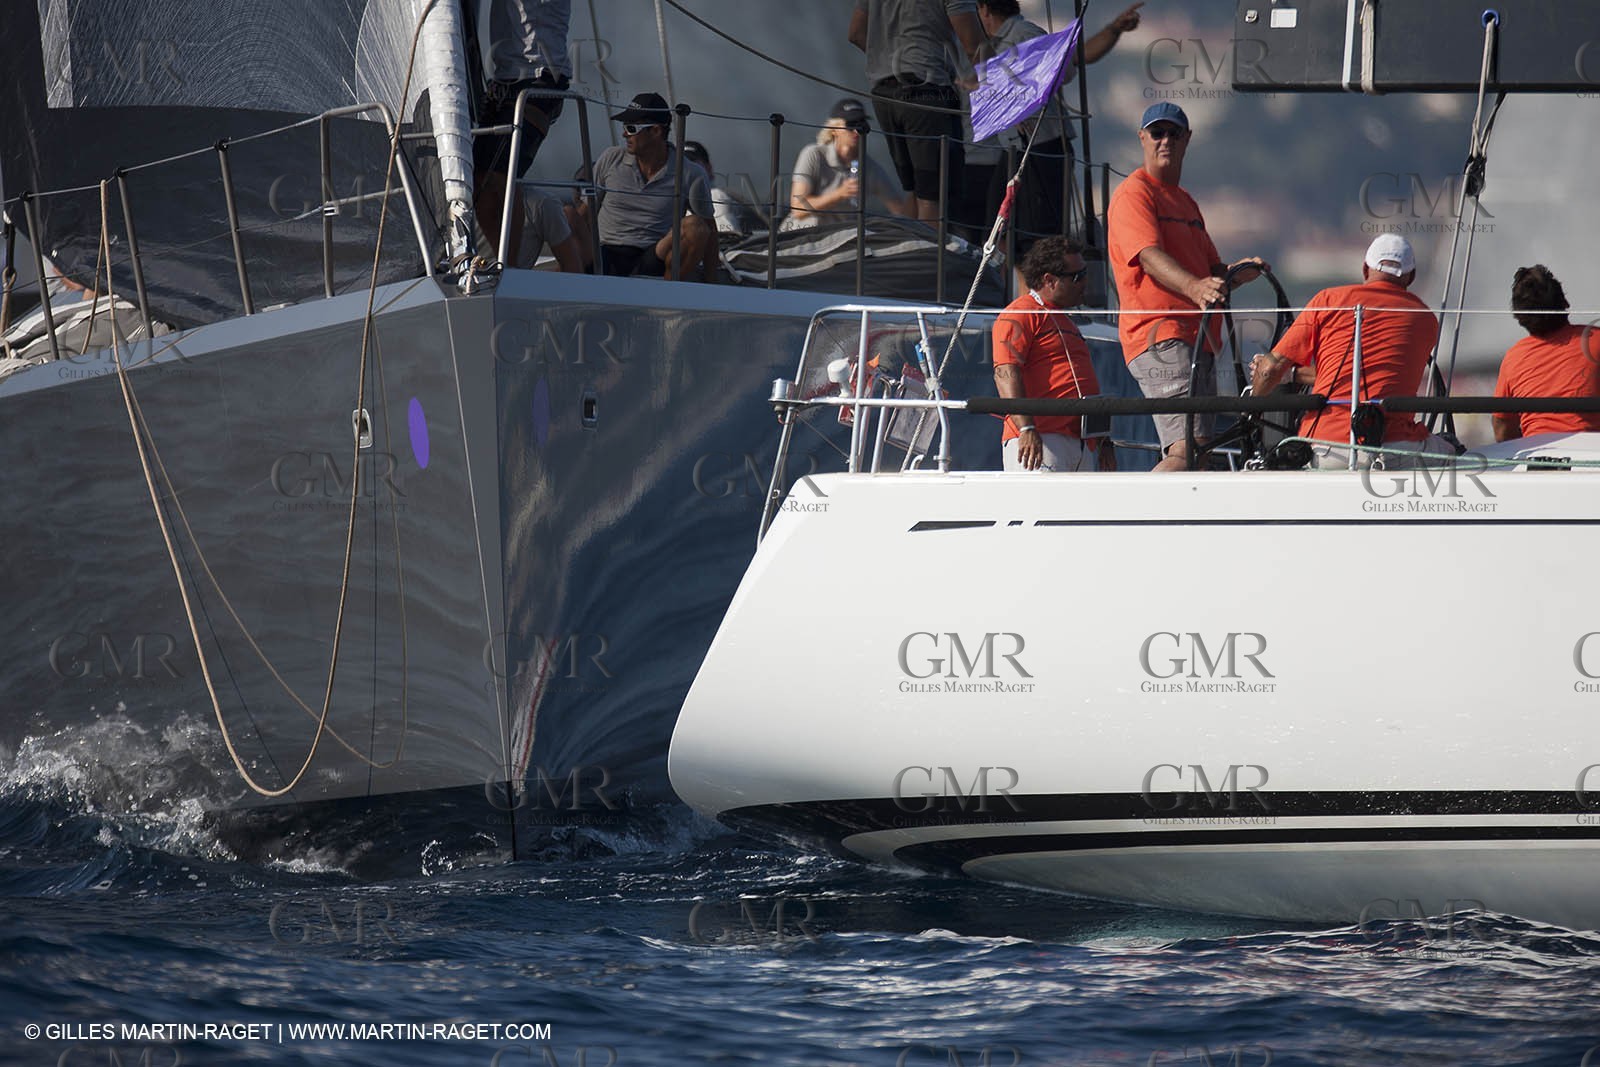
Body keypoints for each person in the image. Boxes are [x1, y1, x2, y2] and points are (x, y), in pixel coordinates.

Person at [1107, 102, 1267, 472]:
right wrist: (1196, 288)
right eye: (1157, 133)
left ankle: (1172, 524)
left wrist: (1238, 273)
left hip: (1197, 340)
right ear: (1142, 138)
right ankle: (1134, 522)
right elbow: (1147, 255)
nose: (1165, 140)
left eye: (1173, 133)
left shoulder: (1186, 202)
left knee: (1198, 451)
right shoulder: (1134, 194)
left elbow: (1211, 269)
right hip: (1161, 334)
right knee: (1187, 450)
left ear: (1186, 139)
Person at [1250, 234, 1448, 469]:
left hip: (1327, 449)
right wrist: (1293, 374)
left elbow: (1269, 368)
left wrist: (1250, 412)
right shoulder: (1426, 320)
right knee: (1452, 447)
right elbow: (1375, 371)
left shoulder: (1329, 300)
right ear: (1411, 277)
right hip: (1398, 449)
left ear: (1365, 269)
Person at [974, 0, 1143, 273]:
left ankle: (1035, 301)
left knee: (1037, 240)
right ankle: (1009, 298)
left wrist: (1018, 100)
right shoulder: (997, 42)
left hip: (1040, 146)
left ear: (984, 9)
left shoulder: (1023, 34)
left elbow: (1064, 68)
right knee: (999, 233)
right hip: (1013, 149)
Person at [848, 0, 986, 223]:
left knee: (913, 187)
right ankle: (930, 256)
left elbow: (855, 33)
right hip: (926, 91)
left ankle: (911, 253)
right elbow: (974, 46)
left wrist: (888, 60)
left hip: (883, 92)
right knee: (933, 194)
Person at [992, 236, 1114, 472]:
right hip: (1041, 440)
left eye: (1086, 272)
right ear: (1049, 280)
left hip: (1080, 444)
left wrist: (1103, 440)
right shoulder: (1020, 313)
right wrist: (1026, 429)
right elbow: (1005, 372)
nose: (1085, 282)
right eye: (1078, 277)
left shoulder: (1065, 319)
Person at [572, 91, 718, 282]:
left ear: (656, 131)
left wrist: (712, 283)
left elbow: (709, 229)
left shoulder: (690, 172)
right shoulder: (610, 158)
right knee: (568, 215)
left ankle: (668, 296)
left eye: (631, 128)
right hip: (605, 253)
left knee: (696, 227)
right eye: (625, 127)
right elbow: (585, 213)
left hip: (654, 255)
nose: (624, 134)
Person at [471, 0, 574, 265]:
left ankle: (508, 266)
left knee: (500, 176)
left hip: (541, 75)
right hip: (505, 78)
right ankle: (502, 263)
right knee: (479, 182)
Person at [1492, 265, 1600, 442]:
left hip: (1535, 457)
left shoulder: (1513, 358)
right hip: (1591, 455)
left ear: (1520, 317)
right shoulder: (1596, 340)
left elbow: (1502, 428)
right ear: (1565, 302)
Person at [785, 99, 913, 229]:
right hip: (802, 235)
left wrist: (915, 188)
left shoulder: (870, 168)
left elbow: (900, 212)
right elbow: (798, 209)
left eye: (862, 125)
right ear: (834, 129)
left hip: (842, 240)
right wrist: (839, 194)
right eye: (851, 125)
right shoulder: (813, 154)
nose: (857, 131)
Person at [681, 141, 747, 238]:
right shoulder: (668, 199)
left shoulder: (716, 197)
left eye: (693, 164)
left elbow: (726, 240)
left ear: (709, 168)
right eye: (682, 165)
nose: (688, 169)